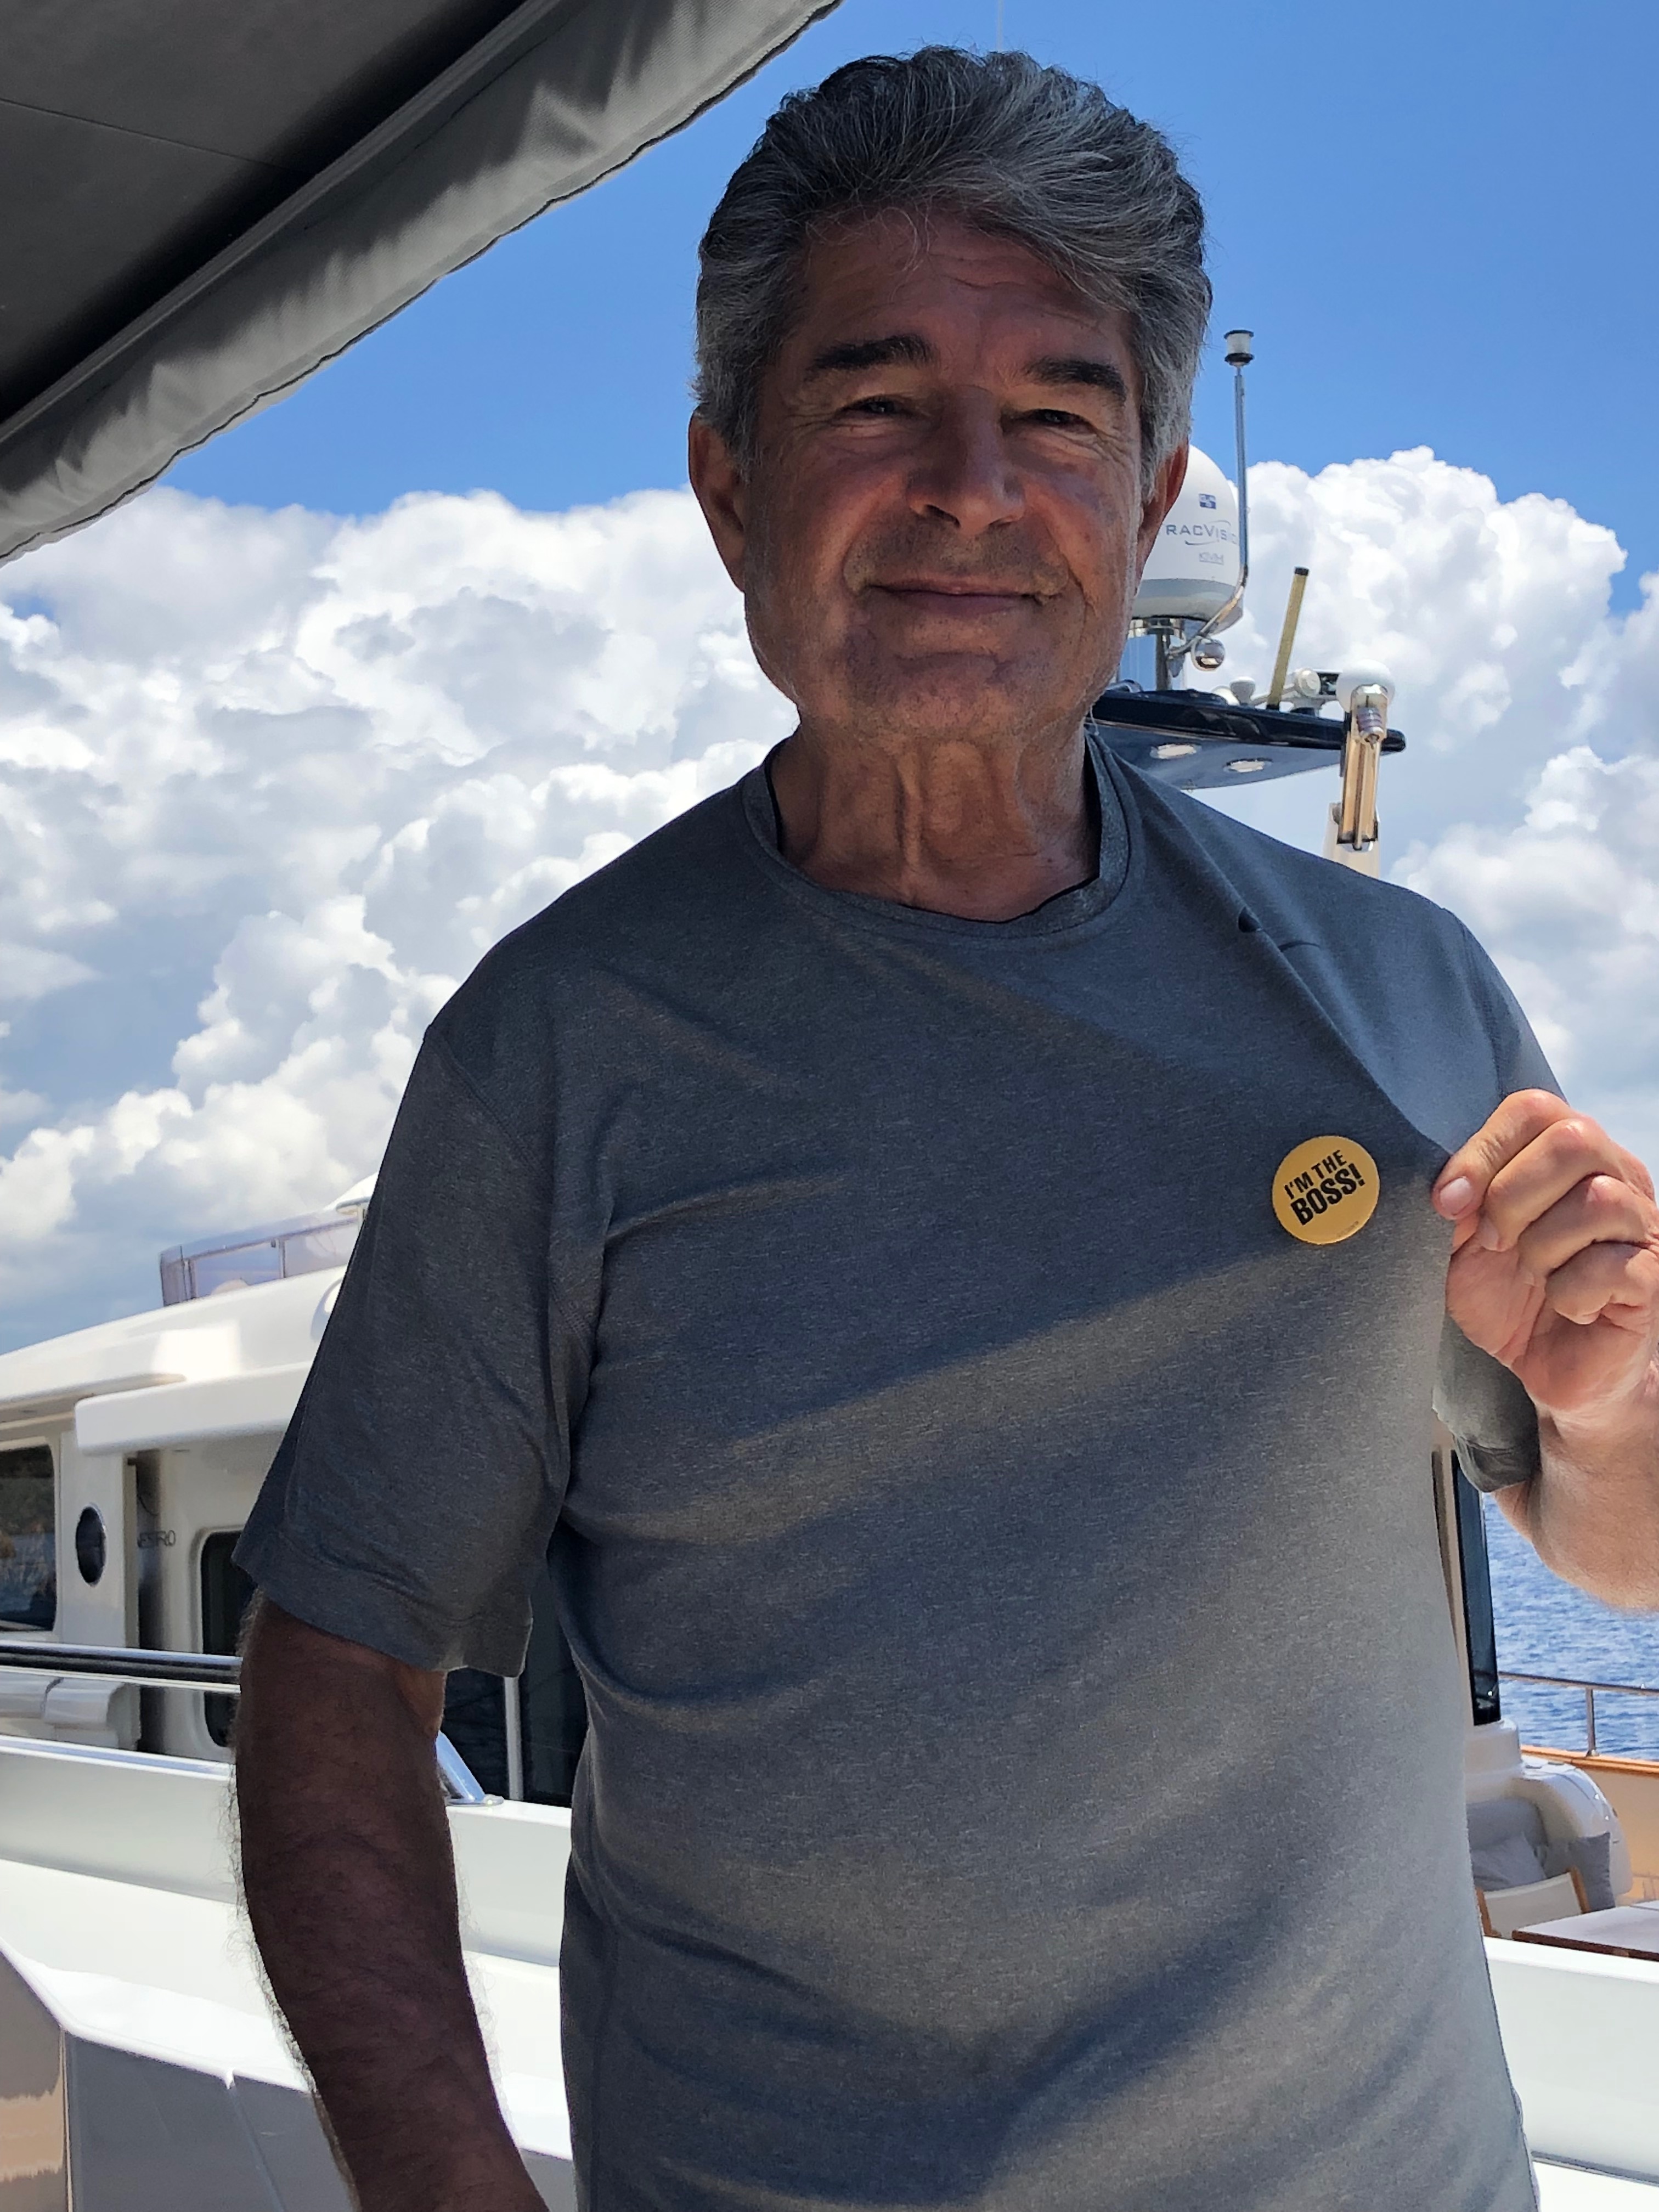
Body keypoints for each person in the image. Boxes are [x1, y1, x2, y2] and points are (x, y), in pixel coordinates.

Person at [233, 47, 1659, 2212]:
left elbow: (1617, 1542)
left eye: (1061, 418)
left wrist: (1616, 1399)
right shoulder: (563, 1048)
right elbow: (340, 1659)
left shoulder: (1399, 990)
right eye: (878, 399)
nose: (973, 490)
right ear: (729, 486)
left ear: (1151, 505)